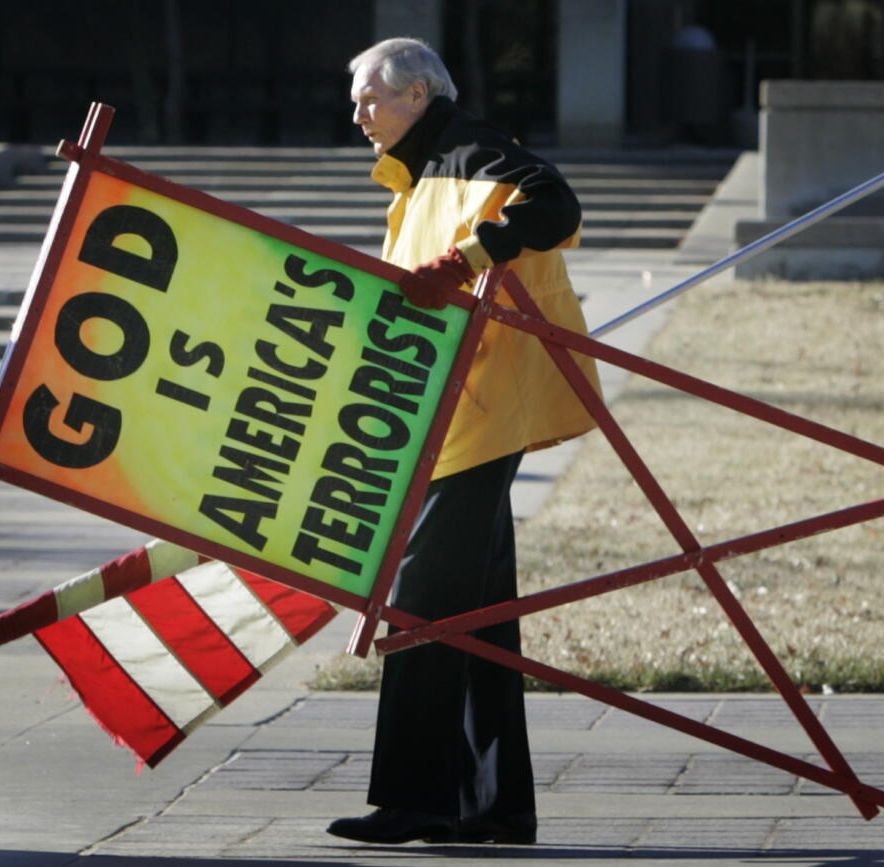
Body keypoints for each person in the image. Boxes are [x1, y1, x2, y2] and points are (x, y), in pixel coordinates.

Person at [326, 37, 601, 846]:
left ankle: (419, 799)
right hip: (462, 414)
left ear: (416, 94)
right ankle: (495, 807)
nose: (357, 114)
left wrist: (466, 258)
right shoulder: (422, 172)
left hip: (484, 414)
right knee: (477, 612)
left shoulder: (471, 152)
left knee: (422, 600)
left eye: (368, 99)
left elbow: (556, 207)